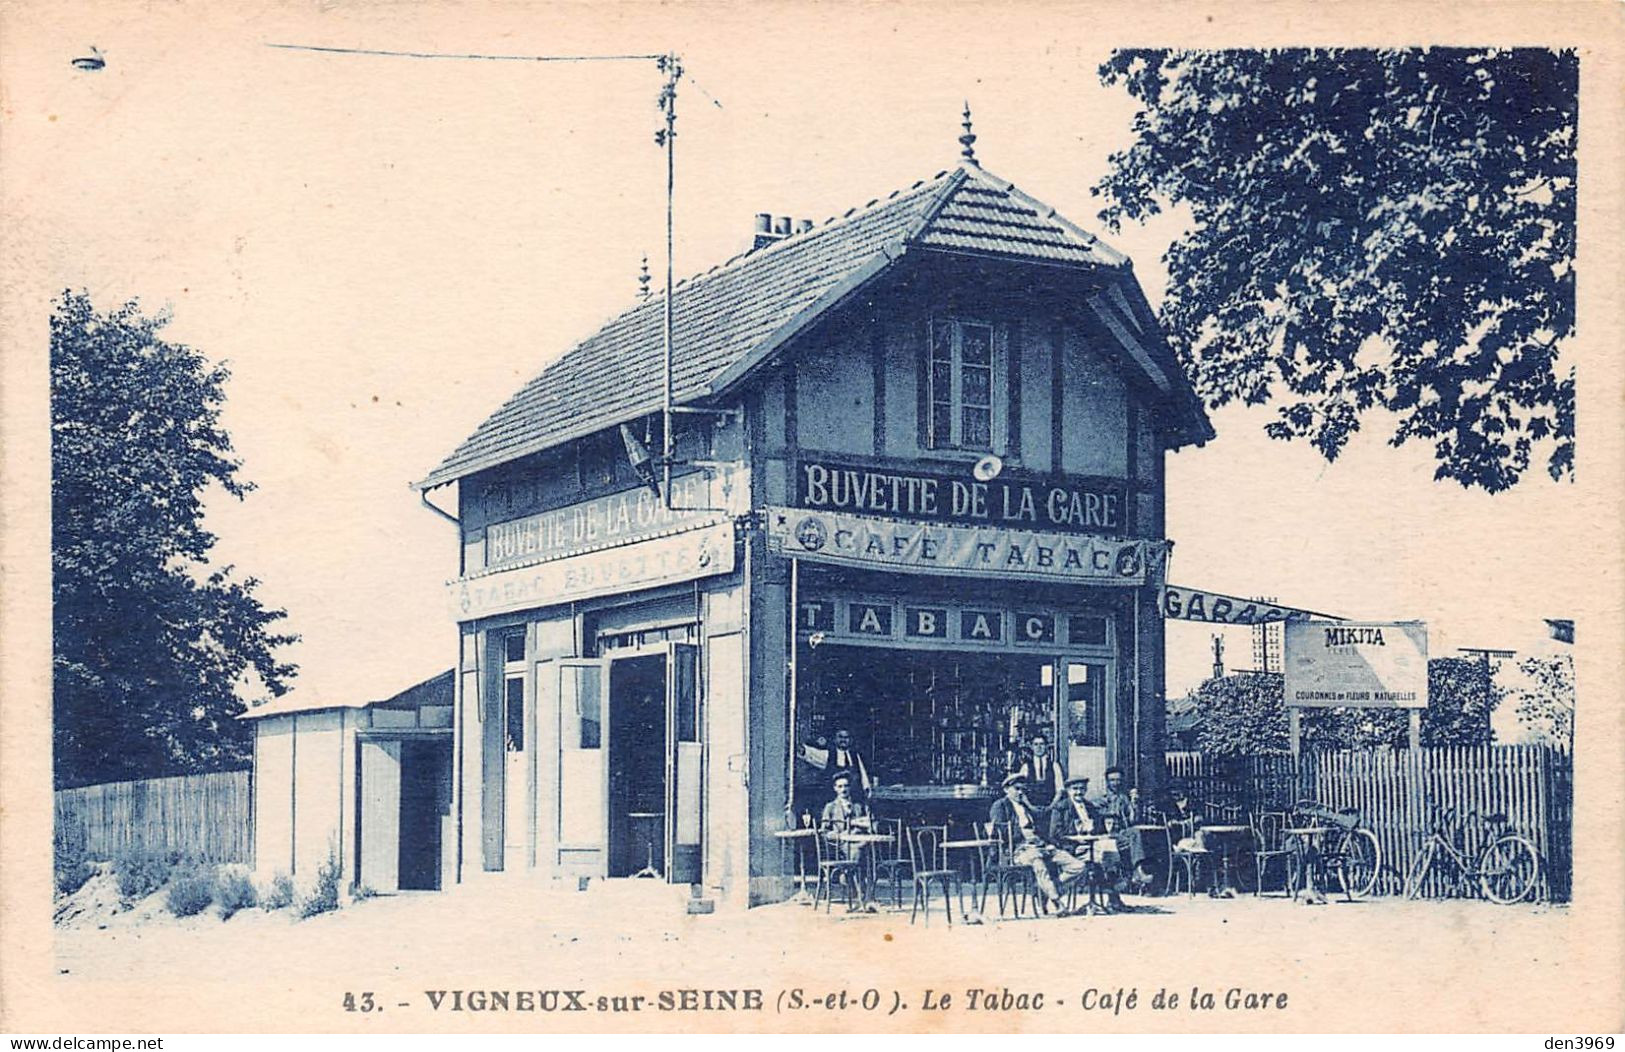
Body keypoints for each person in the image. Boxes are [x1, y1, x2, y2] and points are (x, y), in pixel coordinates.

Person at [988, 771, 1087, 914]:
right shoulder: (1000, 806)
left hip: (1039, 846)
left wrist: (1046, 843)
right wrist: (1025, 838)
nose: (1021, 792)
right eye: (1017, 789)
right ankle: (1057, 903)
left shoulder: (1027, 806)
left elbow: (1040, 827)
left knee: (1078, 866)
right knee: (1039, 864)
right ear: (1006, 789)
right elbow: (998, 832)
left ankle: (1045, 890)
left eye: (1023, 789)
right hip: (1017, 850)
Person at [1047, 776, 1127, 910]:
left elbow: (1099, 828)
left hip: (1091, 845)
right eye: (1075, 789)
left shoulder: (1089, 806)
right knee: (1106, 855)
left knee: (1112, 849)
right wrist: (1074, 838)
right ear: (1068, 790)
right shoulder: (1061, 807)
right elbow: (1054, 834)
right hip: (1072, 848)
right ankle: (1113, 896)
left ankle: (1112, 894)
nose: (1079, 792)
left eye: (1082, 789)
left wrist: (1099, 834)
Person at [818, 769, 876, 911]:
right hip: (841, 846)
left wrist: (861, 823)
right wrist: (838, 835)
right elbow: (824, 831)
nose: (843, 789)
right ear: (835, 789)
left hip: (861, 841)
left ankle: (855, 884)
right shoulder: (830, 807)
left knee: (866, 849)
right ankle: (862, 897)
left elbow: (871, 823)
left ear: (850, 787)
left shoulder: (858, 806)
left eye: (846, 786)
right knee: (859, 851)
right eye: (840, 786)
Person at [1091, 766, 1155, 889]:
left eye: (1118, 780)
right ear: (1107, 782)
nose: (1116, 783)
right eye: (1112, 780)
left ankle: (1138, 871)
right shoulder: (1099, 799)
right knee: (1131, 841)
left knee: (1135, 832)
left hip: (1120, 833)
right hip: (1105, 834)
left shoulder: (1124, 798)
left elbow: (1132, 820)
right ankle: (1136, 874)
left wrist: (1134, 804)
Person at [1016, 733, 1065, 808]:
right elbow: (1021, 790)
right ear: (1032, 747)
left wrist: (1051, 806)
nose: (1039, 747)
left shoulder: (1055, 766)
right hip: (1030, 808)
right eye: (1036, 744)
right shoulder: (1025, 767)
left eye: (1042, 744)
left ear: (1046, 746)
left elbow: (1060, 790)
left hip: (1051, 807)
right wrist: (1030, 807)